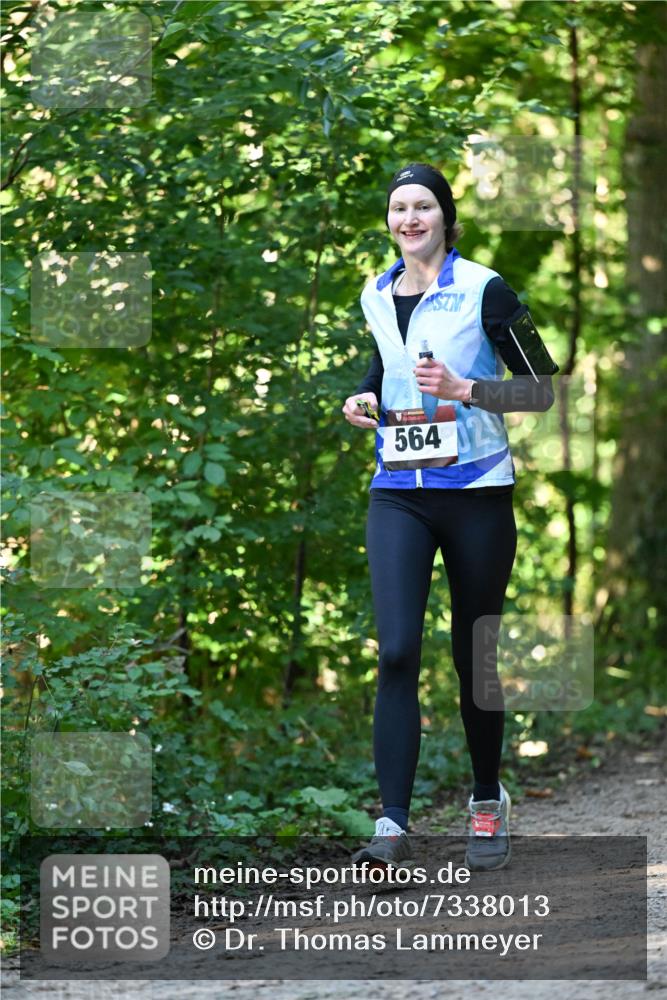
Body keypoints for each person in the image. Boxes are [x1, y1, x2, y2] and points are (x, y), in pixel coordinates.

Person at [342, 162, 559, 873]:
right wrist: (363, 397)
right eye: (399, 208)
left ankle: (486, 797)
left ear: (445, 217)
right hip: (398, 490)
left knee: (475, 656)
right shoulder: (375, 293)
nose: (410, 219)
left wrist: (467, 388)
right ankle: (391, 826)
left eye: (423, 207)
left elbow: (540, 392)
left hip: (475, 494)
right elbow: (387, 365)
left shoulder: (484, 289)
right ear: (389, 221)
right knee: (398, 649)